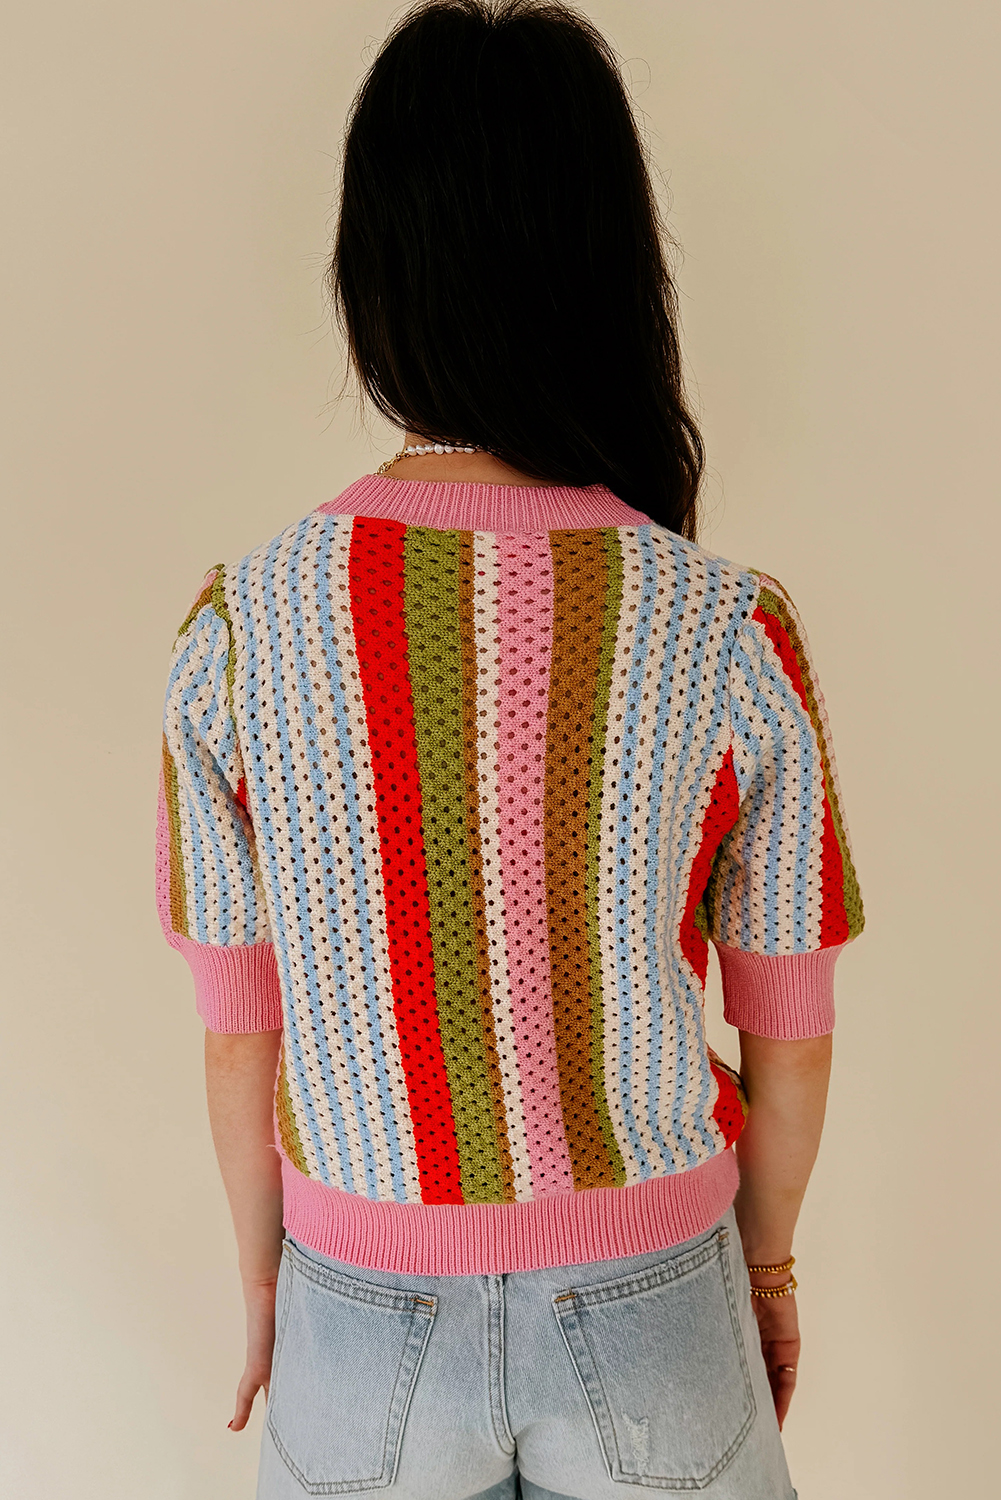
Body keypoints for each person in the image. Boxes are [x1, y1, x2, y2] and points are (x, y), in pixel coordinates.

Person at [155, 3, 863, 1497]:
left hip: (357, 1305)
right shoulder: (726, 626)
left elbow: (237, 1031)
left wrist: (268, 1287)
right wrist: (768, 1270)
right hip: (656, 1297)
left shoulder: (239, 629)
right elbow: (789, 1023)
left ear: (372, 280)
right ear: (609, 272)